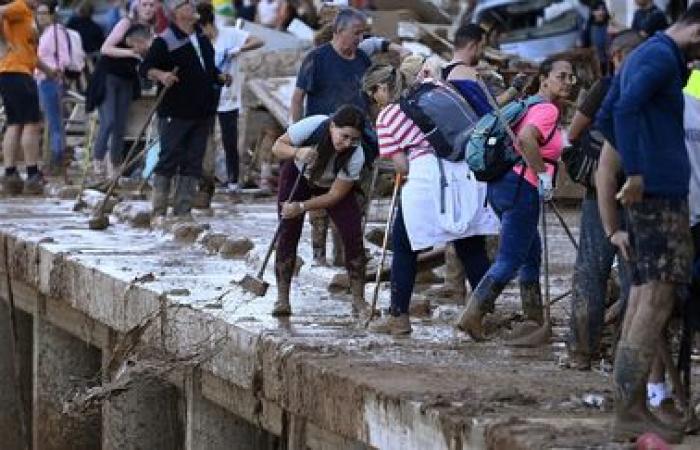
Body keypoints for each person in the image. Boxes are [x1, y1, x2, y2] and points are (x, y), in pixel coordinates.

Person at [606, 5, 700, 443]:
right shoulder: (659, 57)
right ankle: (629, 408)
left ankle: (632, 405)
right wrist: (640, 172)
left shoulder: (644, 53)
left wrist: (633, 170)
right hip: (659, 195)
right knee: (657, 300)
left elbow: (609, 115)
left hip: (652, 194)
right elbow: (623, 109)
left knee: (646, 297)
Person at [363, 65, 498, 335]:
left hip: (426, 177)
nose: (372, 98)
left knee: (404, 246)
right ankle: (485, 314)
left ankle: (398, 317)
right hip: (465, 172)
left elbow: (402, 166)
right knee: (470, 245)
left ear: (380, 89)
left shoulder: (388, 114)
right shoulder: (434, 92)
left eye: (372, 92)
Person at [455, 56, 573, 341]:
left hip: (503, 185)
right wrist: (543, 175)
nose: (569, 82)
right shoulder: (546, 110)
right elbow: (526, 141)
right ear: (544, 79)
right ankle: (472, 316)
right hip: (523, 187)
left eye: (571, 77)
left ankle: (533, 319)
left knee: (531, 252)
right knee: (509, 259)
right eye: (562, 76)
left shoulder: (529, 104)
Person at [291, 6, 408, 266]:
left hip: (357, 139)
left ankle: (345, 254)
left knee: (352, 196)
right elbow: (298, 98)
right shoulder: (317, 59)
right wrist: (298, 133)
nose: (359, 39)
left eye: (363, 34)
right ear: (338, 31)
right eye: (356, 33)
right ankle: (319, 257)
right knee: (319, 198)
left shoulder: (362, 61)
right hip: (323, 138)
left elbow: (371, 99)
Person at [565, 31, 642, 371]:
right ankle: (624, 354)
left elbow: (573, 133)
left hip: (602, 192)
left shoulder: (606, 88)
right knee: (635, 278)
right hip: (643, 196)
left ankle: (582, 351)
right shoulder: (662, 90)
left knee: (591, 273)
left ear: (616, 56)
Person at [270, 105, 367, 316]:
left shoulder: (356, 155)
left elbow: (335, 196)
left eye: (354, 139)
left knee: (353, 236)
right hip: (298, 175)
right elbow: (277, 146)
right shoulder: (312, 126)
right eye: (344, 136)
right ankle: (282, 299)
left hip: (331, 185)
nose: (347, 143)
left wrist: (302, 207)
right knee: (287, 231)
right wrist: (297, 151)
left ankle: (359, 300)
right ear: (332, 126)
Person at [141, 0, 230, 223]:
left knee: (194, 160)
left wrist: (219, 76)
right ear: (176, 12)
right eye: (186, 4)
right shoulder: (165, 40)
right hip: (176, 109)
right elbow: (146, 68)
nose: (192, 7)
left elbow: (207, 68)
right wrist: (162, 76)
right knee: (169, 156)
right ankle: (159, 210)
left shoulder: (201, 37)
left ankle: (183, 210)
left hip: (202, 110)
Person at [198, 2, 263, 193]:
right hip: (206, 97)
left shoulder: (230, 35)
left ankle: (233, 181)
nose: (203, 34)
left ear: (208, 25)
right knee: (205, 139)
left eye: (203, 30)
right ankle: (205, 180)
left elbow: (258, 41)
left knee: (229, 140)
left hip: (228, 97)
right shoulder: (200, 41)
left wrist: (239, 49)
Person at [0, 0, 59, 196]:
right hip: (16, 72)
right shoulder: (20, 6)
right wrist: (4, 42)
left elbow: (31, 54)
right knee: (31, 124)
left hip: (16, 71)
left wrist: (49, 71)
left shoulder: (28, 15)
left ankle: (11, 175)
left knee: (15, 123)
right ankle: (32, 173)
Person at [93, 0, 155, 177]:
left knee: (121, 124)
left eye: (152, 5)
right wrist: (132, 53)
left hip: (127, 78)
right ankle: (98, 159)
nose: (148, 8)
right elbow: (105, 48)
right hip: (108, 75)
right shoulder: (126, 23)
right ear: (136, 6)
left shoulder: (151, 30)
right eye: (144, 4)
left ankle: (114, 164)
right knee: (109, 120)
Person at [35, 0, 73, 172]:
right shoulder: (44, 33)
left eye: (44, 13)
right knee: (49, 120)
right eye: (39, 13)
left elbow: (64, 57)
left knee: (54, 121)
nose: (40, 17)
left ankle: (57, 158)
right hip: (41, 79)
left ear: (51, 14)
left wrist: (57, 69)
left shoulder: (57, 32)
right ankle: (52, 157)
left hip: (51, 79)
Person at [580, 1, 611, 74]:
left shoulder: (610, 24)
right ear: (593, 12)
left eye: (603, 9)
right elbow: (585, 45)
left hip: (611, 61)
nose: (601, 12)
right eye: (598, 10)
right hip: (596, 62)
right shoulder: (589, 27)